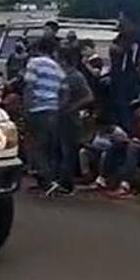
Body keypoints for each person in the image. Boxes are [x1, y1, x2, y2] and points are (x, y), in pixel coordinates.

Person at [23, 37, 66, 191]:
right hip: (52, 109)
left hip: (37, 109)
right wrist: (59, 105)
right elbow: (64, 88)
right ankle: (47, 180)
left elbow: (29, 86)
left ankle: (47, 181)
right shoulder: (56, 67)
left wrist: (27, 107)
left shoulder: (34, 63)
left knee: (36, 147)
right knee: (48, 147)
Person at [56, 48, 95, 195]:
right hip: (58, 117)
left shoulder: (76, 76)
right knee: (58, 150)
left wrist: (73, 107)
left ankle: (67, 185)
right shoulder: (60, 76)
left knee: (68, 151)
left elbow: (89, 97)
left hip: (70, 119)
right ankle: (59, 181)